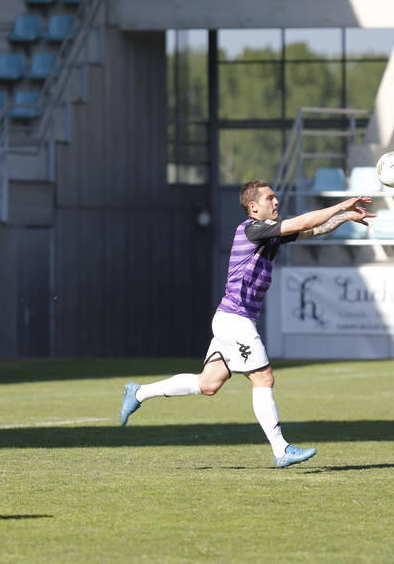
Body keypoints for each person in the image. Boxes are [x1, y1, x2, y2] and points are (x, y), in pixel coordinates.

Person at [119, 180, 376, 468]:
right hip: (235, 320)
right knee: (263, 378)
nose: (276, 201)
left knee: (208, 384)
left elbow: (312, 229)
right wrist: (341, 204)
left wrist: (345, 218)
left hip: (232, 320)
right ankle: (281, 450)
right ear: (254, 207)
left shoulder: (268, 234)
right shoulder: (252, 230)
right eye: (270, 198)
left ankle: (138, 393)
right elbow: (302, 221)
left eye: (275, 197)